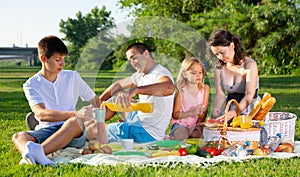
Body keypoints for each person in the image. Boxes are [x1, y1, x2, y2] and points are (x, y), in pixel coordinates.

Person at [12, 35, 107, 165]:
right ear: (43, 58)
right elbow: (41, 114)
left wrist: (101, 132)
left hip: (73, 131)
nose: (63, 64)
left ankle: (37, 153)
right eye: (58, 60)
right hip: (47, 130)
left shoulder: (72, 77)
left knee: (74, 122)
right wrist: (75, 113)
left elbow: (97, 102)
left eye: (63, 59)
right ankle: (36, 154)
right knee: (18, 137)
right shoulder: (31, 84)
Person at [88, 42, 175, 143]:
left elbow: (169, 88)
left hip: (144, 132)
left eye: (134, 58)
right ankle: (95, 116)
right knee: (117, 94)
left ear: (146, 53)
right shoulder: (141, 74)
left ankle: (93, 125)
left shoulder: (159, 73)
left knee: (90, 130)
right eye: (130, 60)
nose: (133, 63)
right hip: (138, 118)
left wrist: (136, 90)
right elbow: (117, 85)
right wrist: (98, 103)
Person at [209, 30, 260, 122]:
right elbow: (220, 94)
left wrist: (235, 112)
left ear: (232, 46)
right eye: (217, 54)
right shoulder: (219, 69)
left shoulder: (249, 65)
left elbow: (249, 95)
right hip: (230, 108)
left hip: (250, 109)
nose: (220, 57)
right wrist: (216, 108)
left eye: (222, 52)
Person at [169, 57, 209, 141]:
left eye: (200, 72)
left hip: (196, 123)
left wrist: (198, 126)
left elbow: (204, 111)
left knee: (199, 135)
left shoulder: (205, 89)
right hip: (181, 124)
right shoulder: (182, 91)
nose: (198, 75)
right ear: (184, 74)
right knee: (181, 134)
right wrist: (192, 112)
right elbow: (175, 115)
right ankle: (175, 137)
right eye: (193, 73)